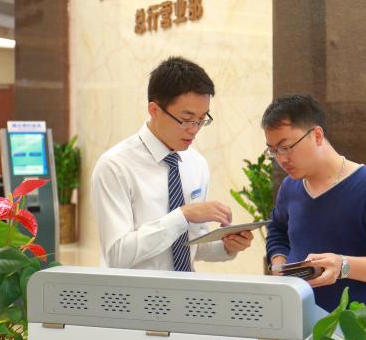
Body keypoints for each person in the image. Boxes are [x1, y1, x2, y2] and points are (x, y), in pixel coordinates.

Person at [91, 56, 253, 271]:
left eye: (202, 119)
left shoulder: (196, 163)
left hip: (186, 289)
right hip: (134, 291)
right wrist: (182, 216)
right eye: (186, 119)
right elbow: (117, 255)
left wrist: (227, 247)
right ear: (154, 110)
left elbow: (192, 245)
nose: (194, 129)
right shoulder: (115, 166)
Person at [263, 94, 366, 320]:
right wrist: (279, 263)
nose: (281, 159)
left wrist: (343, 265)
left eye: (286, 147)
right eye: (273, 151)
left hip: (353, 331)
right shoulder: (290, 187)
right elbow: (277, 230)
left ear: (317, 135)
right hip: (294, 323)